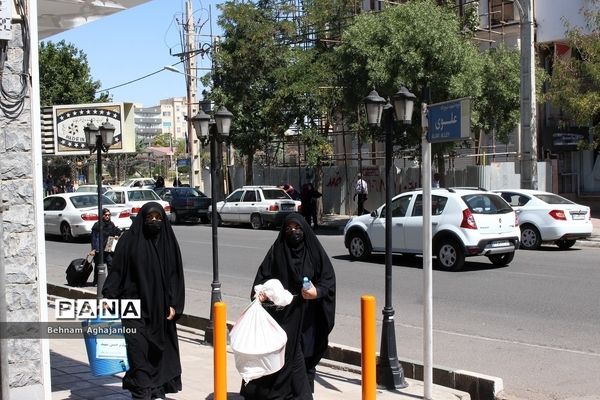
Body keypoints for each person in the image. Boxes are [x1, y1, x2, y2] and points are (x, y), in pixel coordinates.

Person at [240, 213, 336, 400]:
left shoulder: (313, 252)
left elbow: (328, 280)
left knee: (300, 360)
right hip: (282, 320)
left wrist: (317, 292)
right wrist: (263, 292)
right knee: (289, 360)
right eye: (289, 229)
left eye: (298, 228)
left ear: (305, 230)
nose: (294, 232)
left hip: (307, 319)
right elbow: (261, 279)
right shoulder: (277, 251)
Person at [102, 202, 185, 400]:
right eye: (150, 218)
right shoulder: (129, 241)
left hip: (161, 312)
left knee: (157, 358)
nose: (154, 222)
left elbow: (175, 276)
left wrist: (174, 304)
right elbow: (117, 271)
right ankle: (141, 393)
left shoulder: (168, 243)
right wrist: (108, 297)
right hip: (132, 310)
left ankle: (153, 391)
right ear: (142, 219)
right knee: (138, 357)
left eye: (158, 218)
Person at [89, 208, 122, 286]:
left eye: (108, 215)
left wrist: (117, 235)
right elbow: (94, 238)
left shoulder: (111, 224)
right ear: (102, 215)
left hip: (108, 248)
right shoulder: (97, 225)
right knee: (98, 266)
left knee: (110, 264)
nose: (107, 216)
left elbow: (116, 231)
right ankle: (96, 281)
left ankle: (110, 281)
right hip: (99, 249)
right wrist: (93, 249)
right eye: (105, 215)